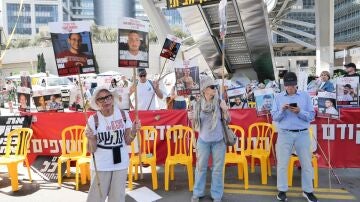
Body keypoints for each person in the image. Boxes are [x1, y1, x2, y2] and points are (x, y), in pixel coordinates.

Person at [85, 86, 141, 202]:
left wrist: (134, 132)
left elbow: (127, 140)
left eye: (108, 97)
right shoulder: (93, 120)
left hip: (120, 164)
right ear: (97, 102)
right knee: (96, 198)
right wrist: (90, 138)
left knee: (117, 198)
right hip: (101, 165)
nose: (105, 101)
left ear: (112, 98)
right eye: (101, 99)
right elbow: (92, 150)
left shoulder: (123, 115)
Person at [271, 72, 318, 202]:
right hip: (284, 134)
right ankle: (282, 190)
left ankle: (308, 191)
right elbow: (274, 117)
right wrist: (282, 110)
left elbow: (311, 116)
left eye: (292, 85)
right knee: (282, 164)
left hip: (302, 133)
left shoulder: (305, 96)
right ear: (284, 85)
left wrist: (299, 112)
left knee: (306, 164)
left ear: (296, 84)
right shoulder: (278, 97)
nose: (289, 88)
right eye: (287, 85)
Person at [188, 76, 230, 202]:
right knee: (201, 168)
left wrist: (225, 110)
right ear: (205, 89)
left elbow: (228, 120)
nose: (215, 89)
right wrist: (192, 117)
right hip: (203, 141)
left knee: (217, 169)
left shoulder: (219, 101)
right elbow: (195, 125)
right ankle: (198, 193)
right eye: (212, 87)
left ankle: (216, 195)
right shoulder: (197, 103)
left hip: (219, 141)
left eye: (215, 87)